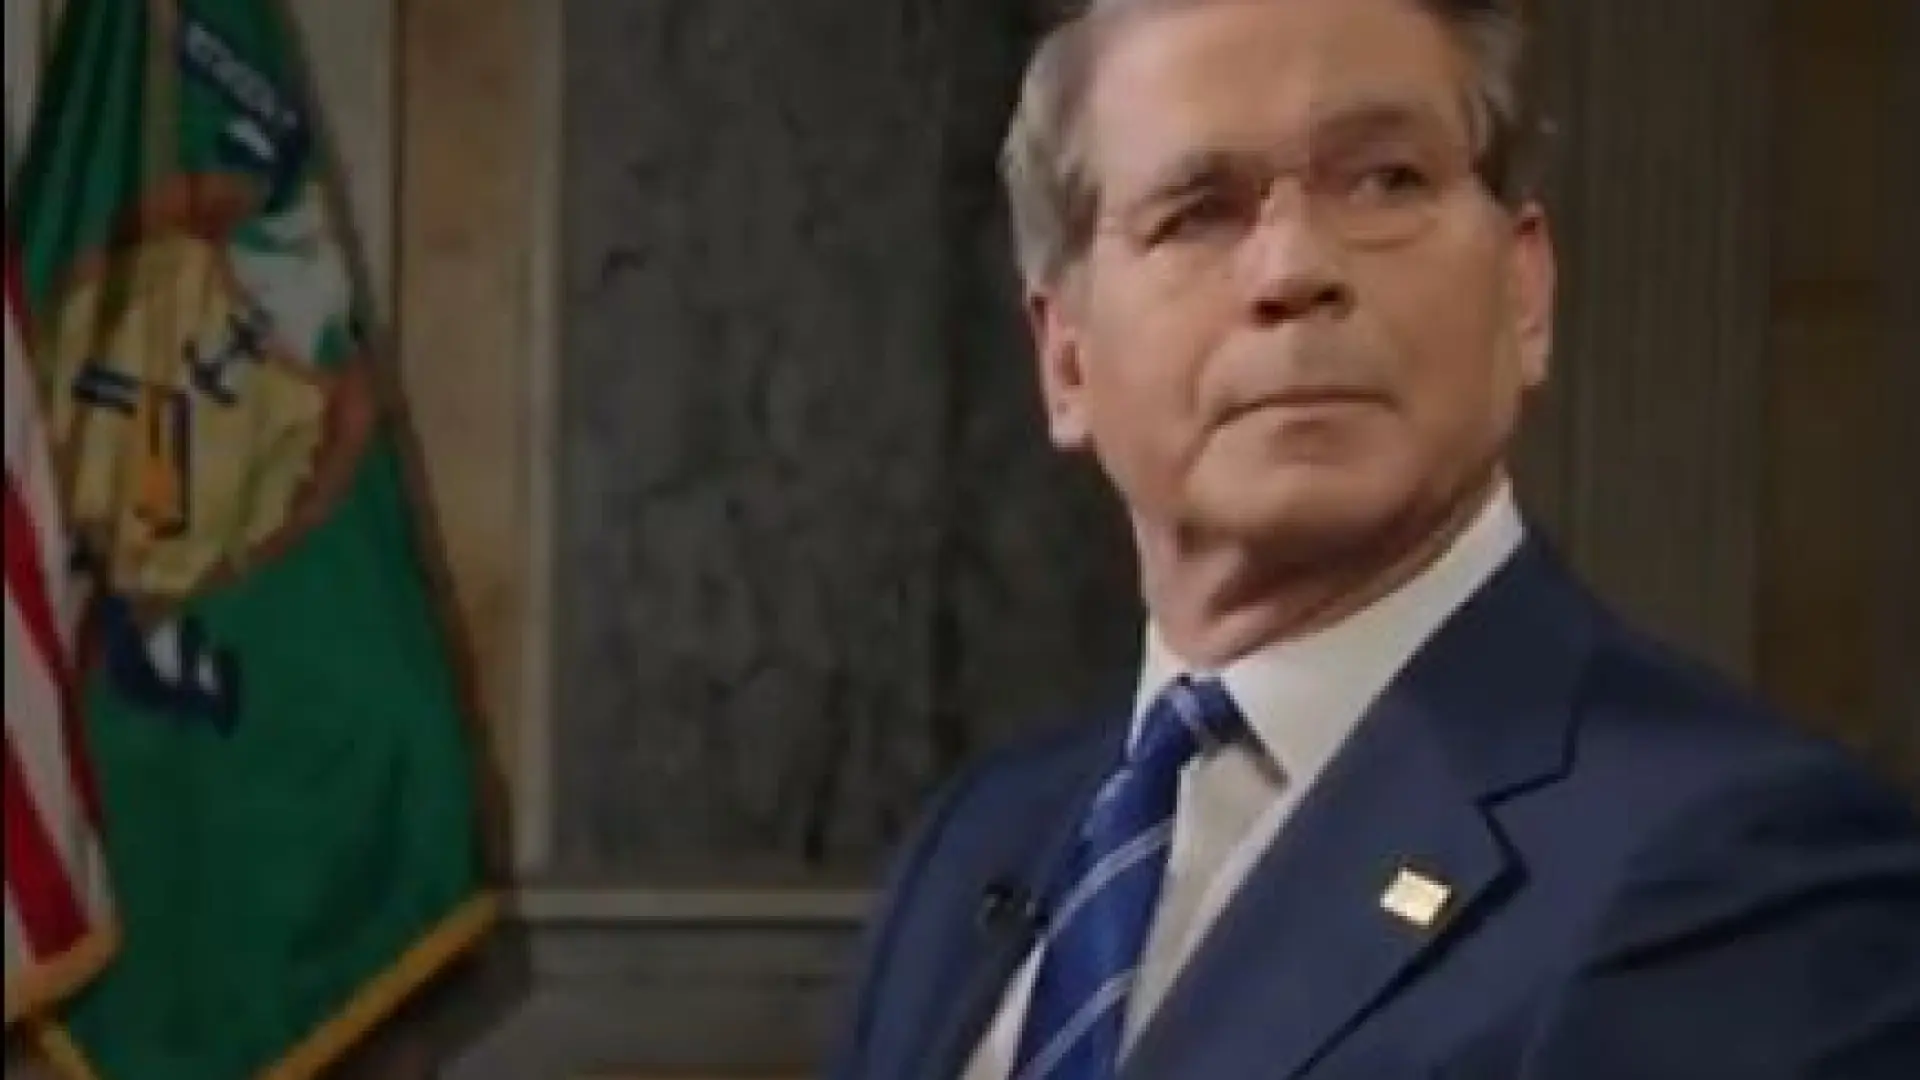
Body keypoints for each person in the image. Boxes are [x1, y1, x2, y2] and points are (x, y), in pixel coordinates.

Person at [824, 0, 1920, 1077]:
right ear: (1066, 360)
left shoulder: (1752, 860)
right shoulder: (979, 841)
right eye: (1197, 212)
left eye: (1386, 180)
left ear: (1524, 291)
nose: (1294, 269)